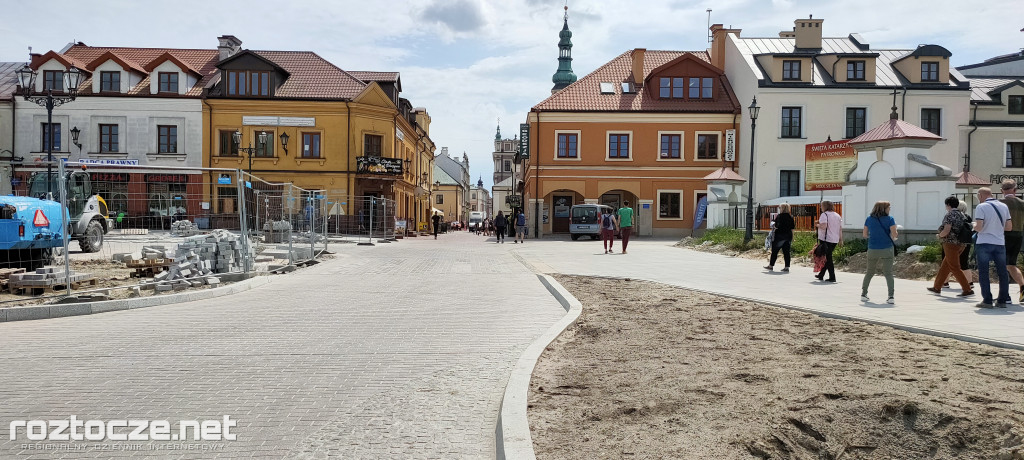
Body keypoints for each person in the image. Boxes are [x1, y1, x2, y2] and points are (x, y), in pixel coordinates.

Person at [974, 187, 1012, 308]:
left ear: (980, 195)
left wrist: (973, 225)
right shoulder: (1003, 206)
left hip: (984, 242)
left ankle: (987, 300)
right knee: (1002, 272)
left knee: (984, 272)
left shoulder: (981, 207)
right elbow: (1009, 227)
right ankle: (1002, 300)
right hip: (1000, 243)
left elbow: (979, 227)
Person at [929, 196, 974, 296]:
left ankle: (967, 289)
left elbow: (947, 230)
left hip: (950, 243)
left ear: (948, 205)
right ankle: (937, 287)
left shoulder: (950, 215)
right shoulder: (962, 215)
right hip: (961, 243)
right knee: (945, 266)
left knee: (954, 267)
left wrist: (939, 235)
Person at [861, 201, 897, 303]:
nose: (890, 209)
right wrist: (895, 232)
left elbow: (864, 234)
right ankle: (891, 297)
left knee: (869, 272)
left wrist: (873, 237)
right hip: (887, 248)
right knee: (888, 273)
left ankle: (863, 294)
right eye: (889, 207)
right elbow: (894, 235)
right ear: (884, 208)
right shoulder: (890, 219)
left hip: (872, 249)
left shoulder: (869, 219)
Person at [1000, 179, 1024, 301]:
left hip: (1003, 235)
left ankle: (1004, 295)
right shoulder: (1022, 203)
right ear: (1015, 190)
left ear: (1001, 190)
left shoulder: (1000, 203)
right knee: (1011, 264)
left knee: (1002, 265)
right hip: (1019, 235)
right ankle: (1023, 289)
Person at [815, 200, 842, 282]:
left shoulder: (824, 215)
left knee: (828, 258)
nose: (820, 207)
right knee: (827, 257)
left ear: (825, 207)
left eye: (821, 206)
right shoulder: (837, 215)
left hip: (826, 239)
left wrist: (817, 225)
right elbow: (840, 228)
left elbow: (824, 226)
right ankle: (821, 274)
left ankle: (832, 277)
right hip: (835, 239)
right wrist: (841, 239)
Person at [764, 203, 795, 272]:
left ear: (782, 208)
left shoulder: (779, 216)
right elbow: (792, 228)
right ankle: (787, 267)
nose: (779, 209)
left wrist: (773, 225)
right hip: (788, 236)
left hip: (779, 236)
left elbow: (777, 226)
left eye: (780, 208)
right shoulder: (791, 217)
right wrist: (792, 237)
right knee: (786, 252)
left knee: (775, 251)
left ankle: (771, 265)